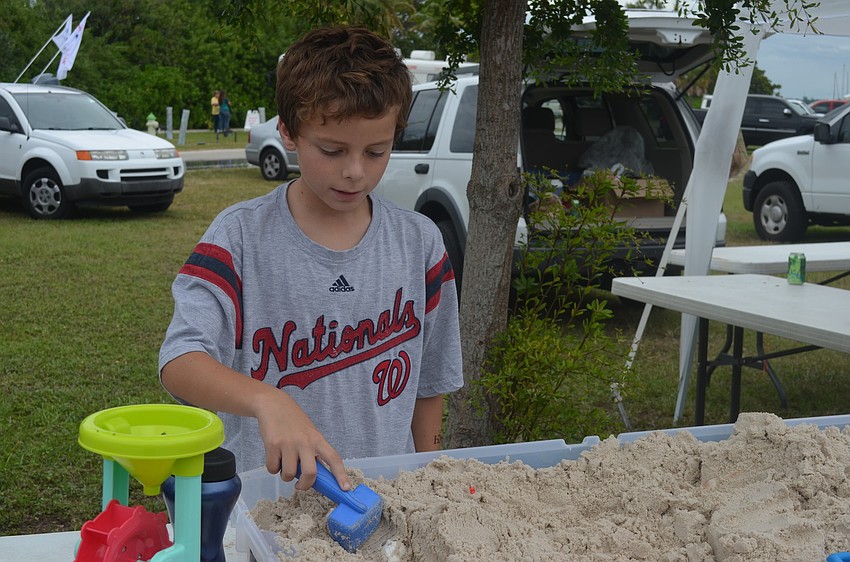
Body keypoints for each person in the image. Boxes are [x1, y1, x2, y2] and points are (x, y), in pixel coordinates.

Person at [158, 26, 463, 492]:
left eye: (376, 151)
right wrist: (268, 400)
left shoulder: (420, 243)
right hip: (271, 503)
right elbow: (180, 361)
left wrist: (429, 476)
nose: (355, 171)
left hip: (386, 498)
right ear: (288, 131)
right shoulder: (239, 238)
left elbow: (430, 384)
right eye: (332, 150)